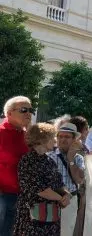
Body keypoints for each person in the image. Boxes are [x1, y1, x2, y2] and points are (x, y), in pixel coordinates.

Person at [14, 123, 71, 236]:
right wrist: (61, 198)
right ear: (42, 139)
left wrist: (67, 195)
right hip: (33, 218)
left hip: (51, 217)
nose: (55, 140)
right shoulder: (28, 160)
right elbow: (40, 189)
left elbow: (59, 184)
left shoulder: (49, 160)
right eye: (52, 137)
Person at [0, 96, 32, 234]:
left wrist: (31, 131)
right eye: (23, 110)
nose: (28, 113)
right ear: (9, 113)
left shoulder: (27, 135)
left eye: (30, 110)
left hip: (20, 195)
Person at [47, 123, 85, 236]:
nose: (63, 139)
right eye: (60, 136)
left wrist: (70, 160)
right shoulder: (48, 156)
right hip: (51, 200)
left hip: (71, 201)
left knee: (66, 232)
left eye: (67, 137)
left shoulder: (78, 158)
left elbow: (79, 180)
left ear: (74, 140)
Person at [68, 116, 88, 236]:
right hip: (76, 187)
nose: (88, 131)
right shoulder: (76, 146)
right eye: (86, 128)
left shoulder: (78, 144)